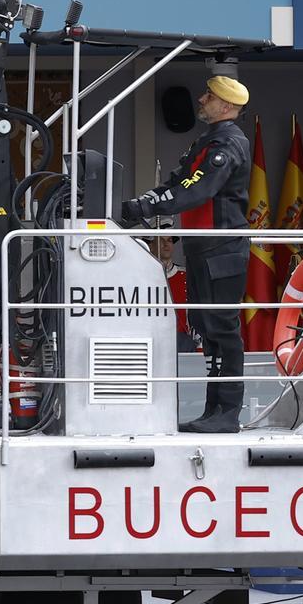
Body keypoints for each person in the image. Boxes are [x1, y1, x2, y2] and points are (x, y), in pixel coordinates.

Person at [117, 75, 251, 433]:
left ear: (225, 106)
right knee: (207, 330)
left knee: (222, 329)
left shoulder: (228, 144)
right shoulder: (207, 141)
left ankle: (227, 413)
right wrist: (143, 202)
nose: (202, 99)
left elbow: (195, 189)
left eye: (209, 96)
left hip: (222, 248)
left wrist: (144, 207)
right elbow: (177, 182)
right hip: (202, 247)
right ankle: (214, 411)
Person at [146, 223, 199, 353]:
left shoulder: (185, 275)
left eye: (170, 240)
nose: (166, 245)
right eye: (161, 240)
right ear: (150, 245)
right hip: (149, 339)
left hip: (181, 342)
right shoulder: (140, 276)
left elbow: (197, 317)